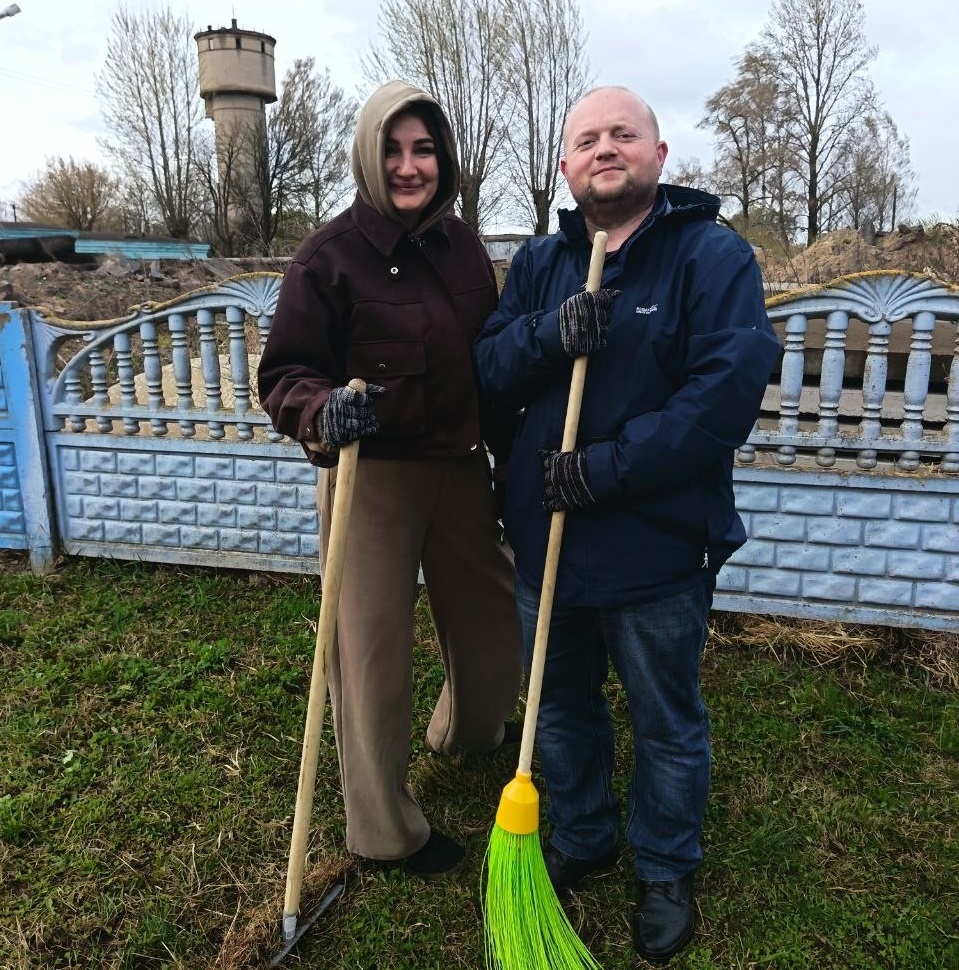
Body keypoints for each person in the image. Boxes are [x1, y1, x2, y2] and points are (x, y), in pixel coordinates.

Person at [473, 86, 782, 964]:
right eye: (585, 139)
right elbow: (488, 370)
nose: (604, 149)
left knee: (665, 719)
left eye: (622, 134)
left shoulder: (710, 259)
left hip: (656, 551)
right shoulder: (539, 263)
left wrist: (602, 469)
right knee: (561, 711)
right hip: (547, 549)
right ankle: (581, 833)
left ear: (658, 155)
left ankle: (663, 864)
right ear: (565, 167)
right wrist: (547, 335)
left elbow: (718, 402)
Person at [257, 80, 523, 877]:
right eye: (393, 150)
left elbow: (494, 359)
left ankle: (469, 731)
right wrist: (319, 408)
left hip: (459, 468)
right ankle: (383, 830)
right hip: (369, 482)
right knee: (368, 653)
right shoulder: (326, 257)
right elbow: (284, 374)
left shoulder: (464, 247)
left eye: (425, 149)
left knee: (490, 618)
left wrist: (513, 453)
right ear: (369, 158)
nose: (410, 167)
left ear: (443, 158)